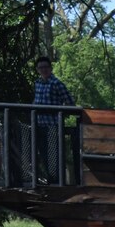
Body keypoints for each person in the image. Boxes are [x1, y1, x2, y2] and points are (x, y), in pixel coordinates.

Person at [31, 56, 74, 184]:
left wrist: (61, 114)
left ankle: (58, 182)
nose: (43, 70)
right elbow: (36, 101)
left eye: (46, 67)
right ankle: (49, 180)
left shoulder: (57, 84)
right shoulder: (37, 83)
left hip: (53, 126)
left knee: (55, 155)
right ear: (38, 69)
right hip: (38, 125)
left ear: (50, 68)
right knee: (42, 155)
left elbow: (70, 103)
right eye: (41, 67)